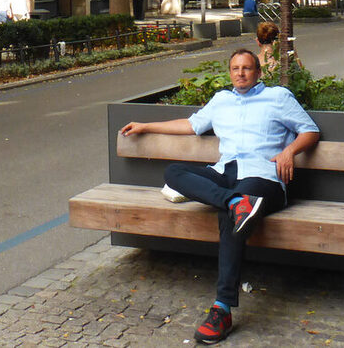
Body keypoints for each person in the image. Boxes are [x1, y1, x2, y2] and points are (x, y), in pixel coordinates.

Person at [120, 49, 320, 344]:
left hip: (262, 176)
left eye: (247, 68)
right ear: (230, 72)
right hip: (225, 173)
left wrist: (289, 151)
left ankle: (222, 308)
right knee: (174, 173)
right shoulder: (221, 101)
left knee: (230, 218)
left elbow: (310, 130)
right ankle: (234, 202)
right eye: (235, 68)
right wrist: (146, 126)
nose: (241, 73)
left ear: (258, 72)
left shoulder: (278, 97)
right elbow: (191, 125)